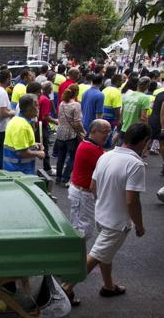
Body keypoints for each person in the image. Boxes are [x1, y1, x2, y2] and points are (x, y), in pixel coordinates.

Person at [62, 122, 149, 305]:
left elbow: (93, 187)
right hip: (116, 221)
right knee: (97, 254)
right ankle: (66, 288)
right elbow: (132, 200)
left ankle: (109, 286)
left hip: (101, 214)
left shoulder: (106, 155)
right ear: (144, 141)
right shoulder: (135, 164)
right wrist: (139, 225)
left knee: (104, 253)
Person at [68, 120, 112, 243]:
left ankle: (76, 256)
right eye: (104, 132)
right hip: (82, 194)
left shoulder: (91, 145)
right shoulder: (89, 148)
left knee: (82, 229)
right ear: (93, 131)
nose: (108, 135)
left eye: (109, 132)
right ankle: (75, 258)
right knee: (83, 231)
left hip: (82, 192)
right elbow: (108, 166)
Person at [3, 94, 45, 175]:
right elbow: (22, 152)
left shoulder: (16, 120)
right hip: (20, 170)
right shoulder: (22, 126)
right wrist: (38, 153)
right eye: (36, 106)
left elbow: (18, 144)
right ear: (29, 109)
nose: (38, 109)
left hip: (15, 168)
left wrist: (35, 145)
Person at [55, 84, 85, 186]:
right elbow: (77, 122)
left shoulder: (62, 104)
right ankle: (65, 178)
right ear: (76, 93)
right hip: (71, 135)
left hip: (60, 133)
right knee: (72, 157)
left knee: (61, 156)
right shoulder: (76, 105)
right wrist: (82, 132)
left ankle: (58, 178)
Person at [120, 77, 151, 142]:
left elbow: (122, 111)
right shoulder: (145, 98)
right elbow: (143, 117)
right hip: (135, 130)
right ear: (147, 86)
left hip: (124, 128)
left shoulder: (127, 94)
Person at [39, 82, 57, 173]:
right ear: (48, 89)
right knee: (45, 147)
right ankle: (48, 168)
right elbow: (45, 116)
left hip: (39, 124)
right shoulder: (45, 100)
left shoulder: (41, 97)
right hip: (42, 126)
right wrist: (56, 121)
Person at [102, 74, 123, 145]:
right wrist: (118, 119)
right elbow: (117, 108)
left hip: (102, 115)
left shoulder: (105, 89)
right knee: (109, 133)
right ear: (117, 81)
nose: (122, 83)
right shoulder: (117, 92)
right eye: (121, 81)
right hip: (111, 117)